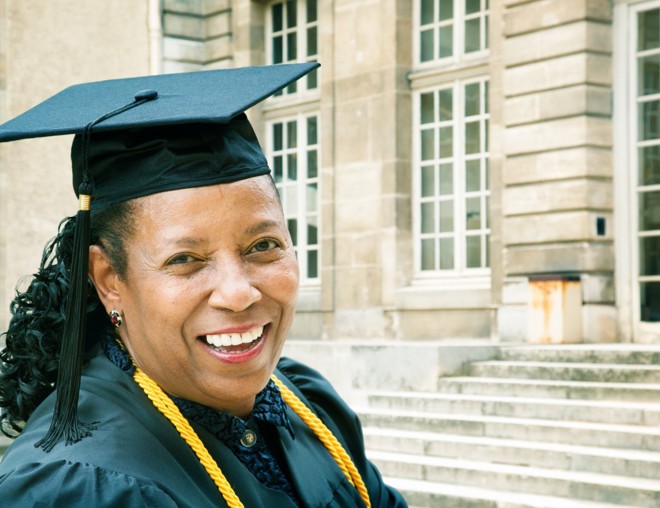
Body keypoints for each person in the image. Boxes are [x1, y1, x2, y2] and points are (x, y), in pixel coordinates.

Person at [0, 63, 407, 507]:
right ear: (108, 279)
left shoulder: (305, 403)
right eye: (185, 260)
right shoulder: (79, 487)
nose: (238, 292)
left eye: (263, 245)